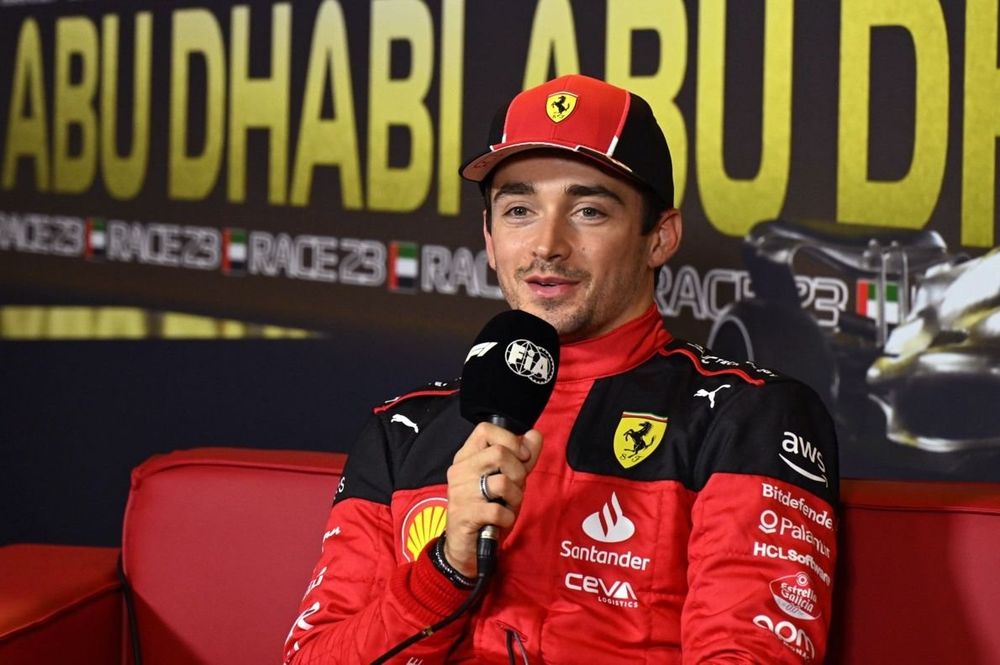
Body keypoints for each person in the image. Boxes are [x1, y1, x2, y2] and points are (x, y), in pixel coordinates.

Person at [284, 74, 838, 664]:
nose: (547, 245)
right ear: (491, 239)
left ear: (660, 238)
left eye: (589, 211)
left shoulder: (748, 415)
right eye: (520, 209)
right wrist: (447, 567)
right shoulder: (405, 432)